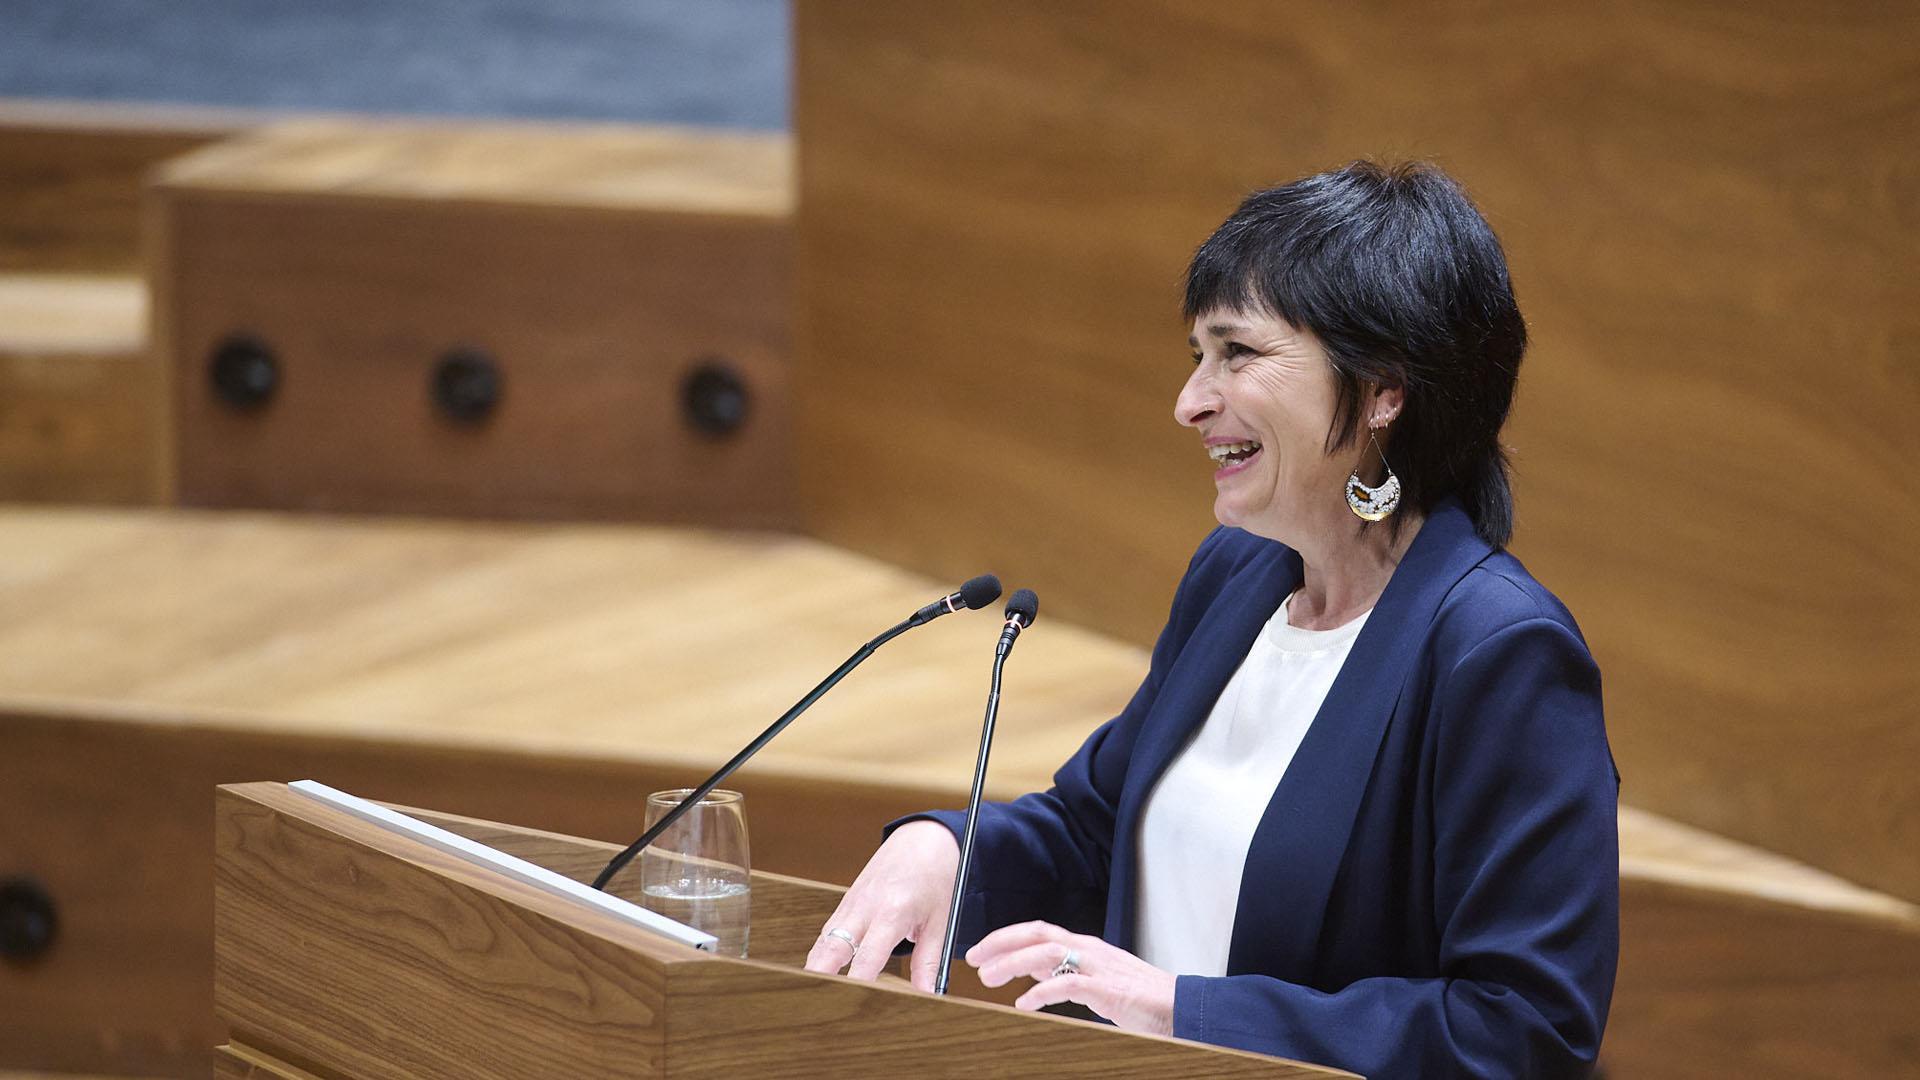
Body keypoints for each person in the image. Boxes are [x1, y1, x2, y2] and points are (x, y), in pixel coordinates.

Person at [804, 161, 1619, 1078]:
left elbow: (1521, 1032)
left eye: (1238, 354)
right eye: (1197, 355)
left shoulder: (1498, 654)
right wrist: (946, 848)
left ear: (1384, 388)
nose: (1190, 401)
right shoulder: (1238, 576)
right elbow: (1096, 828)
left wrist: (1181, 1010)